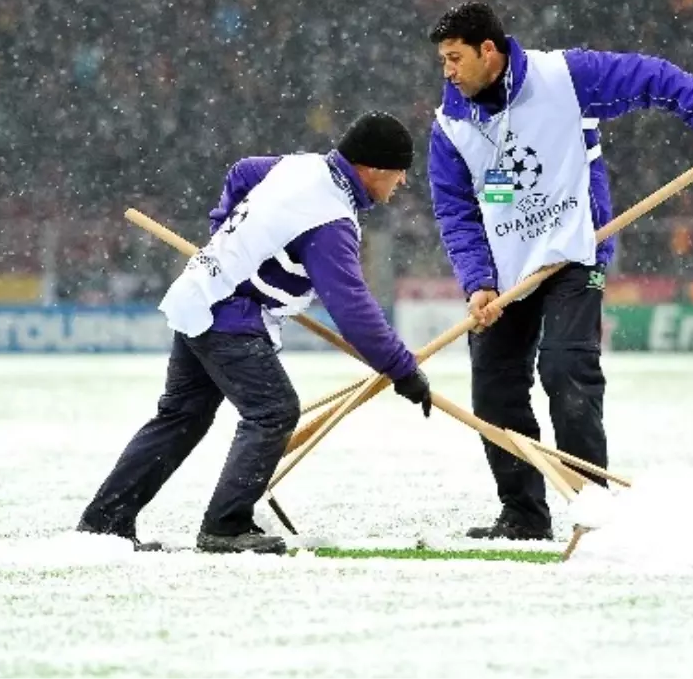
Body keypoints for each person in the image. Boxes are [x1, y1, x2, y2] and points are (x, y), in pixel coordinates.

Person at [426, 1, 693, 540]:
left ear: (490, 50)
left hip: (576, 250)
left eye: (455, 58)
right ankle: (524, 515)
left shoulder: (564, 77)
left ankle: (593, 513)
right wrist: (478, 281)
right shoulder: (451, 125)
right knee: (494, 392)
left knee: (565, 369)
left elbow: (656, 78)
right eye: (443, 61)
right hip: (506, 273)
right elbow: (455, 211)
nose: (448, 72)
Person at [78, 112, 433, 555]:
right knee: (274, 411)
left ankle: (104, 523)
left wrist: (224, 231)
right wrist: (402, 369)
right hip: (230, 315)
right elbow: (352, 307)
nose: (401, 185)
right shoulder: (330, 220)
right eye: (400, 175)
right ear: (375, 169)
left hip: (199, 294)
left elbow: (242, 170)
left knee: (181, 418)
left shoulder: (302, 166)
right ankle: (225, 528)